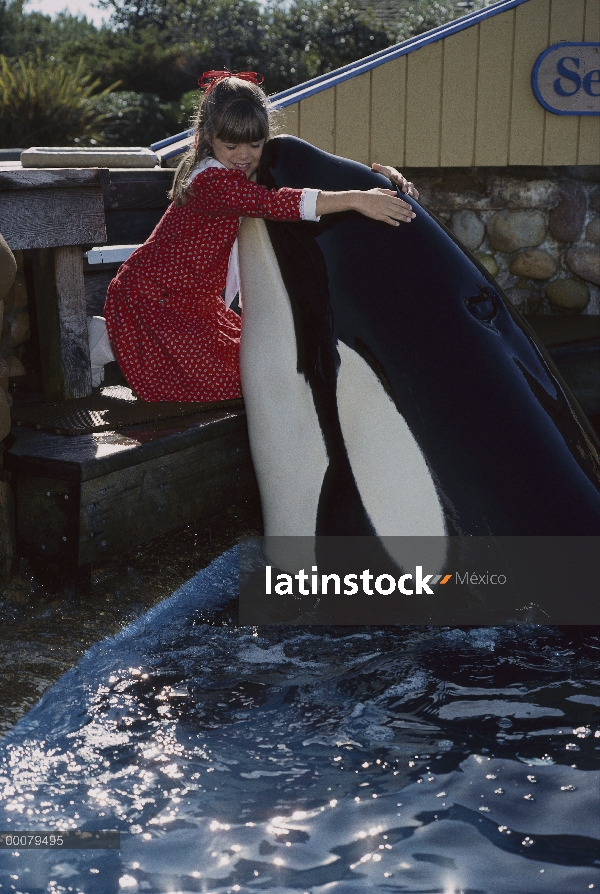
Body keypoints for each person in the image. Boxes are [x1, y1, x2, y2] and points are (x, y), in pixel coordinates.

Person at [103, 72, 419, 403]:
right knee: (234, 384)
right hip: (156, 297)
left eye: (255, 144)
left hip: (191, 301)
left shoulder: (234, 170)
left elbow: (304, 175)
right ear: (209, 137)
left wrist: (378, 182)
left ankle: (111, 339)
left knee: (262, 364)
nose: (244, 155)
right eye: (232, 145)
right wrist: (356, 198)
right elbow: (275, 203)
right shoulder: (212, 182)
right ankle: (108, 340)